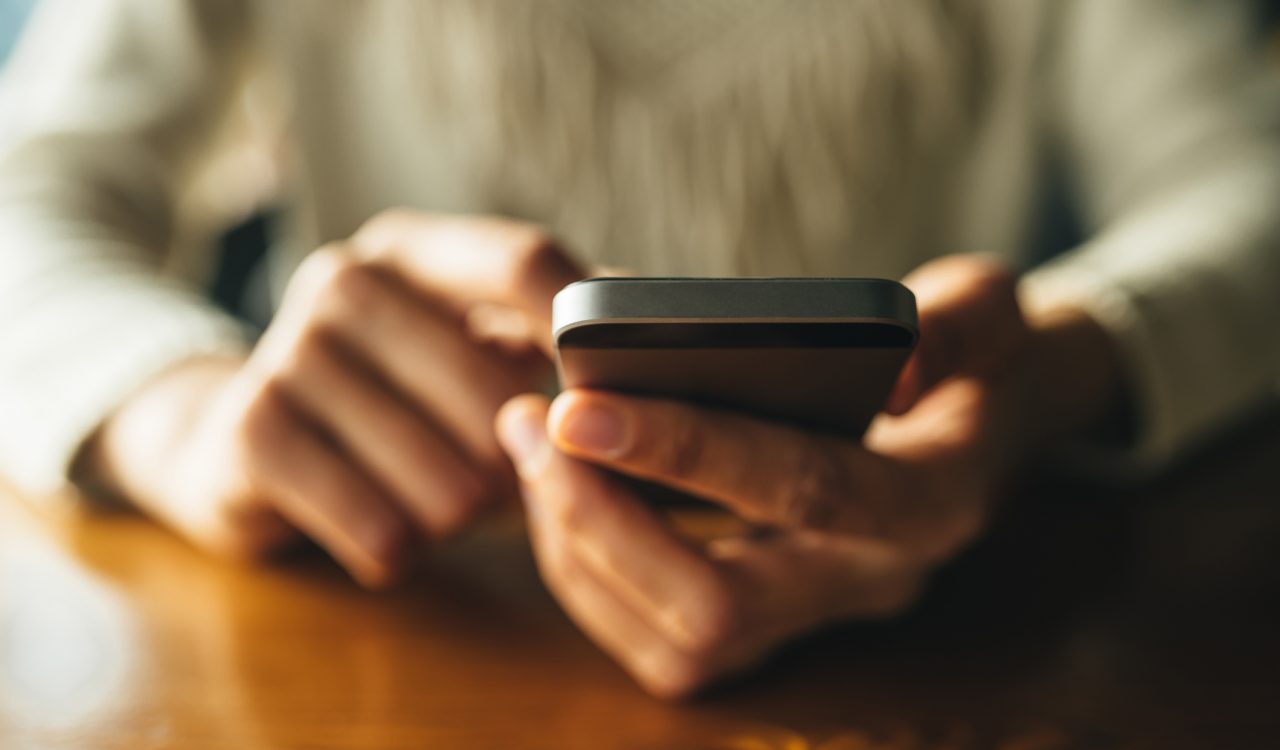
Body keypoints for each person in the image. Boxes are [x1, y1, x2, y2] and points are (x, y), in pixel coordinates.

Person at [1, 0, 1278, 698]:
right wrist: (185, 413)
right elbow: (28, 194)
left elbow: (1249, 185)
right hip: (410, 620)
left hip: (938, 635)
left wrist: (1045, 373)